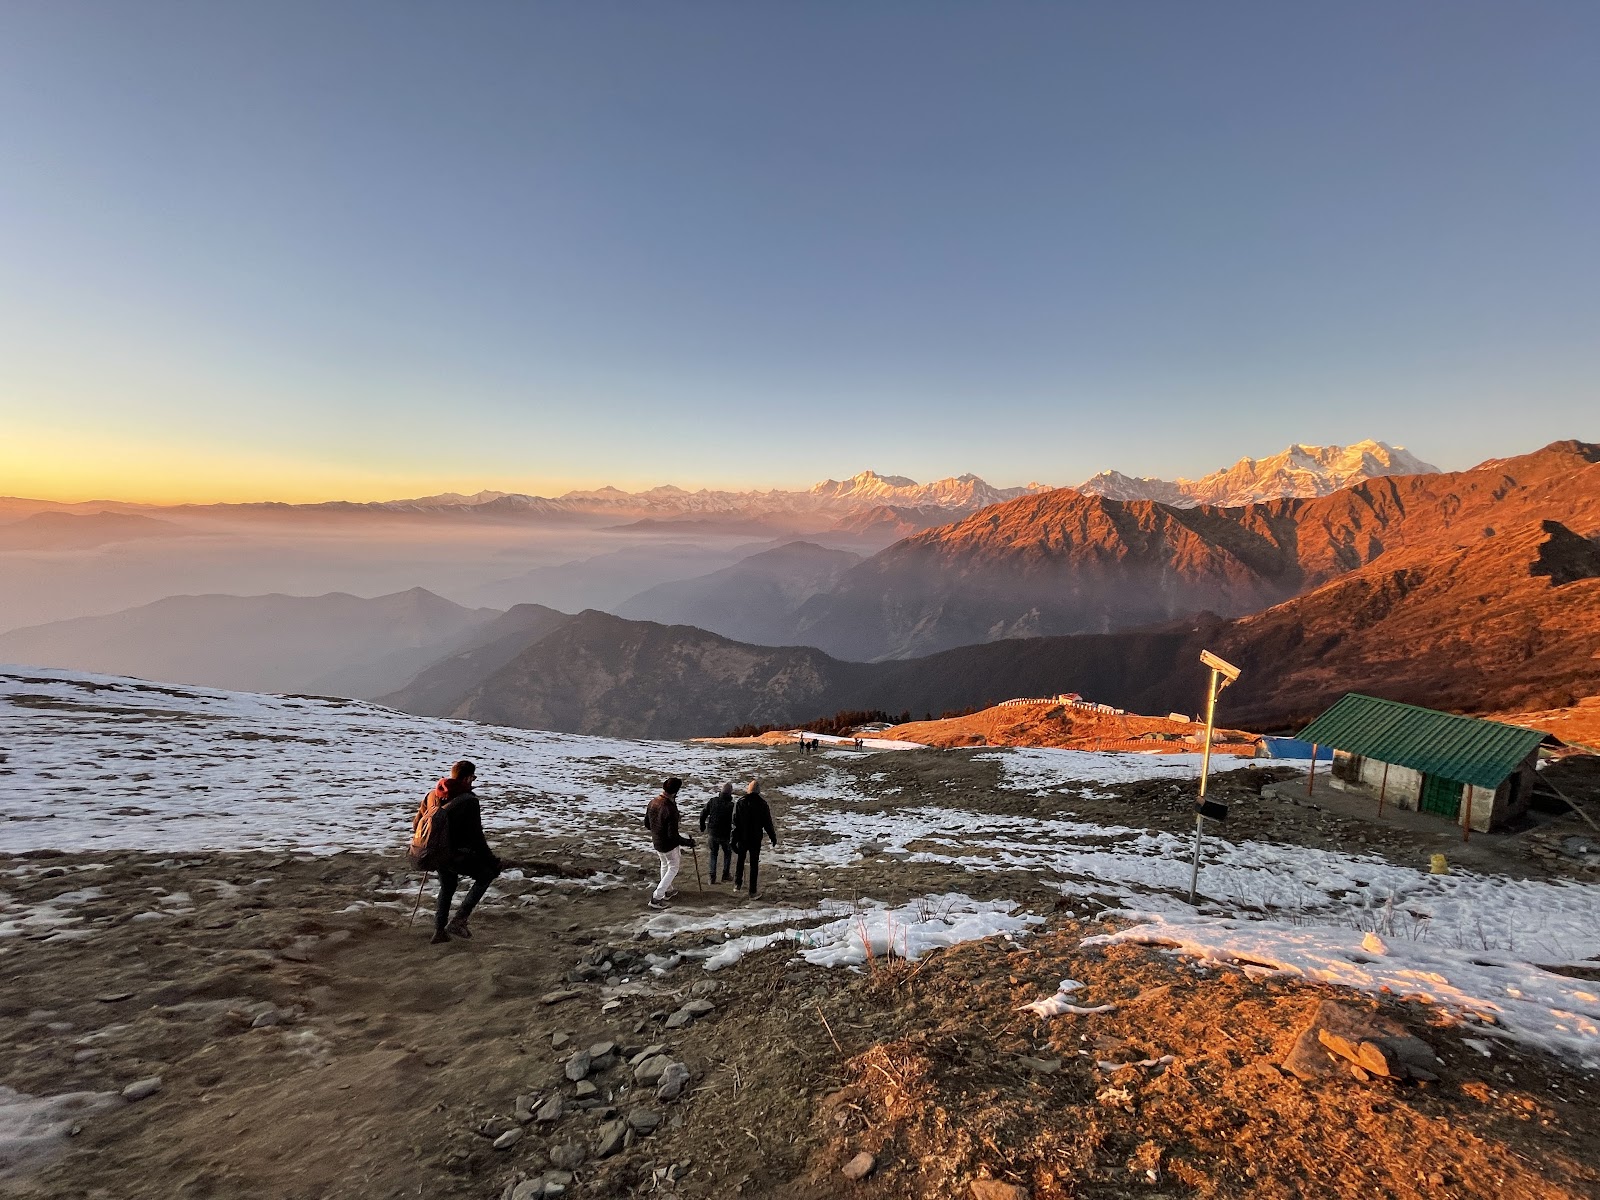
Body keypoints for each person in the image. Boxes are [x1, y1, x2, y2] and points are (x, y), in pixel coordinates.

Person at [411, 759, 502, 945]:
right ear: (468, 778)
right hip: (456, 854)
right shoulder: (468, 800)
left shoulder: (432, 795)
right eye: (473, 777)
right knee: (486, 875)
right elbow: (476, 837)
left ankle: (439, 931)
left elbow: (416, 825)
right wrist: (491, 860)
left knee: (448, 885)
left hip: (435, 853)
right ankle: (459, 921)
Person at [644, 777, 694, 910]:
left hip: (657, 841)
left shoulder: (653, 802)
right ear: (676, 791)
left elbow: (647, 823)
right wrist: (688, 842)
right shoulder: (670, 809)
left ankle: (668, 890)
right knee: (673, 868)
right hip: (668, 844)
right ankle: (657, 897)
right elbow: (673, 836)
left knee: (665, 864)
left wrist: (657, 831)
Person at [731, 778, 778, 900]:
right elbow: (767, 822)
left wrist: (733, 840)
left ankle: (737, 884)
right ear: (758, 791)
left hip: (742, 837)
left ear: (748, 790)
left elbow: (735, 823)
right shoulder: (762, 804)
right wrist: (772, 836)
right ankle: (752, 891)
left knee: (740, 861)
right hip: (755, 838)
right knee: (754, 864)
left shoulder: (740, 802)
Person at [700, 782, 736, 883]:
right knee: (727, 853)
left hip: (712, 832)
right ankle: (725, 874)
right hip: (725, 834)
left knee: (713, 853)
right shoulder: (732, 805)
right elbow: (736, 820)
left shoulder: (713, 801)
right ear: (730, 792)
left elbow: (703, 813)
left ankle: (712, 877)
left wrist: (702, 826)